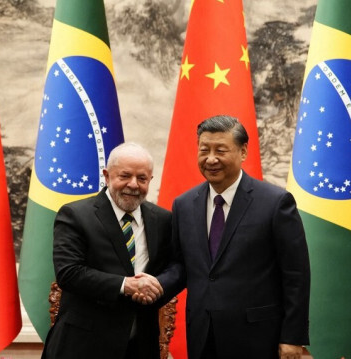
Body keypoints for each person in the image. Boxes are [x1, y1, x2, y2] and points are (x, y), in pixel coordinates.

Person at [158, 115, 311, 359]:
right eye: (204, 150)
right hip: (202, 334)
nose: (210, 159)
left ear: (243, 152)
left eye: (220, 150)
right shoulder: (183, 205)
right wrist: (154, 285)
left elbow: (296, 275)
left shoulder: (275, 203)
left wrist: (292, 337)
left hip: (257, 337)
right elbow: (181, 265)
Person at [41, 142, 171, 359]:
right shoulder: (75, 215)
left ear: (150, 180)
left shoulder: (163, 220)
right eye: (125, 176)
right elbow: (69, 273)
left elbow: (175, 267)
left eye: (142, 178)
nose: (133, 184)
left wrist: (156, 287)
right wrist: (126, 285)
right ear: (107, 176)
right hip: (83, 346)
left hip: (140, 346)